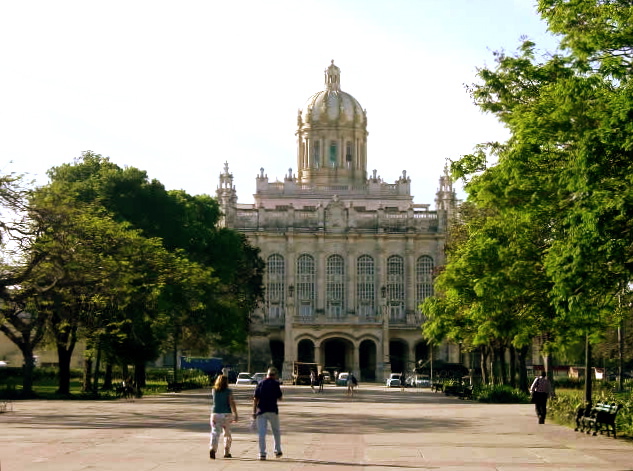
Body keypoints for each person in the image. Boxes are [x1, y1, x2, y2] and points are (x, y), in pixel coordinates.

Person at [253, 367, 283, 460]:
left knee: (262, 433)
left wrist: (254, 411)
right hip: (273, 410)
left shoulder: (260, 383)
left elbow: (255, 398)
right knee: (276, 431)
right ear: (275, 375)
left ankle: (262, 453)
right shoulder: (276, 384)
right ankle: (277, 450)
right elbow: (280, 397)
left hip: (261, 411)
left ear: (267, 374)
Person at [209, 374, 238, 459]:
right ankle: (226, 452)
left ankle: (212, 448)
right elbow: (231, 402)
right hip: (226, 415)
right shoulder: (228, 391)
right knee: (227, 434)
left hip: (215, 414)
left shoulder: (214, 390)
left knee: (215, 432)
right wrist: (235, 413)